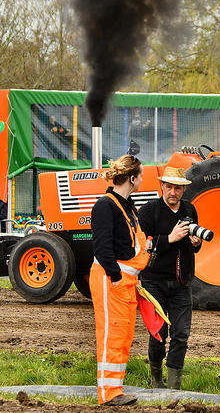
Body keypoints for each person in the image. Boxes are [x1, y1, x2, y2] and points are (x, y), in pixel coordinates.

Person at [89, 154, 149, 406]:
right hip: (110, 279)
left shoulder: (126, 204)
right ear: (132, 179)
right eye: (141, 176)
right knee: (111, 334)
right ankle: (108, 394)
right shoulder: (105, 205)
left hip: (125, 281)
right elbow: (102, 247)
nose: (143, 179)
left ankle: (116, 390)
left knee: (123, 335)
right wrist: (114, 277)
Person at [138, 167, 202, 390]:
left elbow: (193, 247)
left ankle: (175, 387)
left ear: (184, 189)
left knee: (181, 335)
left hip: (182, 283)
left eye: (177, 188)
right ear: (162, 187)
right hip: (153, 282)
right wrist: (169, 239)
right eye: (169, 187)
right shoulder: (149, 211)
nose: (172, 192)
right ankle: (156, 381)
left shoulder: (190, 209)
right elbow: (140, 245)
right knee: (158, 335)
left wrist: (196, 243)